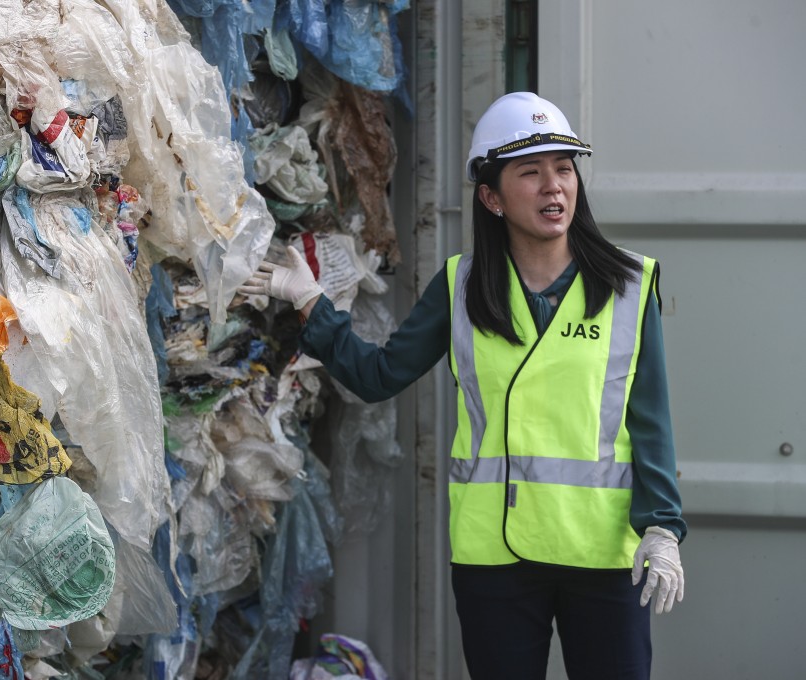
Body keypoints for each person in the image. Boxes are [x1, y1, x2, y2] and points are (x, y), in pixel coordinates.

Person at [240, 91, 686, 680]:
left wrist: (662, 525)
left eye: (564, 168)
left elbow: (648, 419)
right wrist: (309, 302)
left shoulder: (629, 285)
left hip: (601, 552)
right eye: (531, 172)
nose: (555, 186)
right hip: (494, 557)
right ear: (491, 197)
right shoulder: (461, 286)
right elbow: (377, 376)